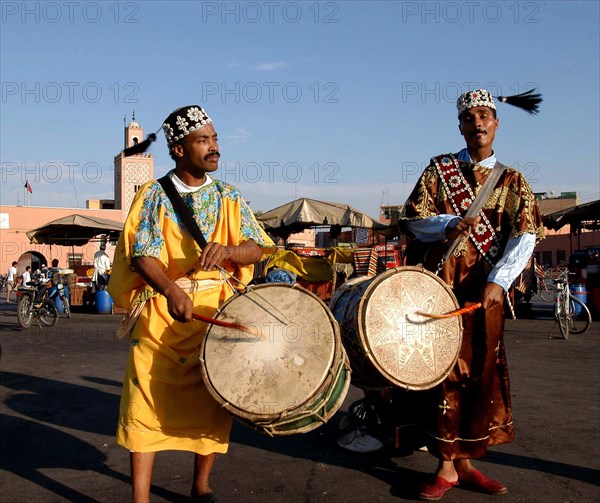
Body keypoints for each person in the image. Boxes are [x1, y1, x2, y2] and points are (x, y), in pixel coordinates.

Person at [108, 105, 275, 503]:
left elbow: (260, 247)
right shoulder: (153, 195)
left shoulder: (229, 197)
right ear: (179, 149)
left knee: (210, 401)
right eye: (203, 140)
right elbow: (141, 254)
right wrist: (171, 291)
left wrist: (231, 249)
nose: (214, 148)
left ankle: (201, 486)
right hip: (161, 315)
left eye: (215, 139)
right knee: (144, 401)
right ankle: (141, 498)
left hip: (215, 312)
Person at [399, 89, 544, 500]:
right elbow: (412, 220)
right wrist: (446, 225)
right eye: (469, 117)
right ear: (459, 125)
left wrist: (500, 280)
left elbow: (527, 233)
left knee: (482, 368)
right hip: (440, 287)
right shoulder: (438, 170)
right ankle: (445, 464)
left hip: (485, 292)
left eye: (484, 116)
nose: (477, 123)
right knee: (442, 370)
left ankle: (467, 460)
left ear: (497, 123)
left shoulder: (513, 180)